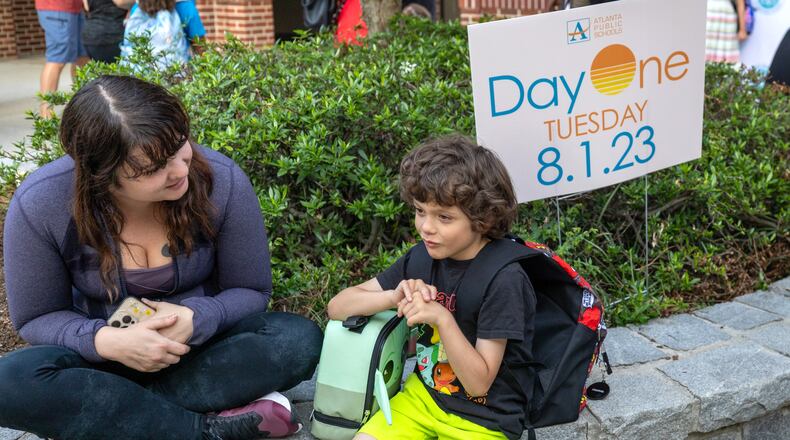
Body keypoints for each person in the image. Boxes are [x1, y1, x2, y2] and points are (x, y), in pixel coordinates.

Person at [0, 75, 322, 440]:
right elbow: (36, 316)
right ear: (100, 176)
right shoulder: (41, 202)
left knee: (298, 339)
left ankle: (123, 417)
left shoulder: (223, 180)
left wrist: (197, 317)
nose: (182, 171)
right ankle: (204, 429)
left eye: (179, 146)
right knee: (8, 383)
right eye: (154, 169)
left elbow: (251, 290)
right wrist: (104, 341)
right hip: (102, 363)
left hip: (200, 352)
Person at [327, 135, 536, 440]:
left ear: (484, 219)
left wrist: (441, 318)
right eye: (420, 210)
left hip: (486, 419)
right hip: (422, 400)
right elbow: (338, 306)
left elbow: (479, 384)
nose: (426, 227)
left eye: (444, 217)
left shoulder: (505, 279)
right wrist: (392, 296)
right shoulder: (421, 257)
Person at [35, 0, 90, 117]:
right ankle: (46, 116)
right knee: (57, 59)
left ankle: (84, 106)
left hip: (75, 8)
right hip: (57, 8)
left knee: (82, 57)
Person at [121, 0, 191, 68]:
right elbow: (199, 45)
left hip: (135, 75)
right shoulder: (183, 7)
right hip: (174, 74)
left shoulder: (136, 10)